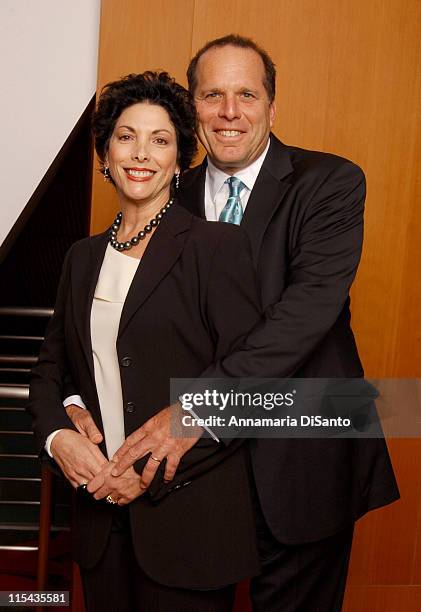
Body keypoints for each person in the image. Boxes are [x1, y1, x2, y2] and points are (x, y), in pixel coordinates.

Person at [106, 36, 400, 611]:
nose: (230, 112)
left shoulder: (332, 183)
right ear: (191, 107)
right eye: (212, 95)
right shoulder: (166, 198)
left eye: (247, 94)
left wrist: (198, 408)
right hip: (199, 470)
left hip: (307, 453)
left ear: (272, 105)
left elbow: (304, 315)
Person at [28, 71, 263, 612]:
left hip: (189, 523)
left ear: (180, 160)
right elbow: (49, 374)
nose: (141, 153)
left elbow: (250, 387)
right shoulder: (81, 258)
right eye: (126, 136)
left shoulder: (216, 247)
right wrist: (59, 436)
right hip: (100, 523)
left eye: (160, 140)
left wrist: (147, 469)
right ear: (105, 154)